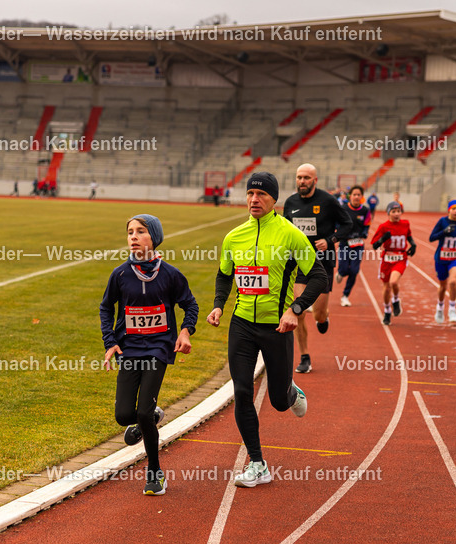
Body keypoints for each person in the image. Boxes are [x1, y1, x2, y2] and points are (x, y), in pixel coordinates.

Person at [207, 172, 324, 487]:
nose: (254, 200)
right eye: (250, 194)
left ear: (274, 200)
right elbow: (224, 274)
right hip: (242, 324)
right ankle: (257, 463)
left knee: (277, 402)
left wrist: (295, 309)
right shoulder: (234, 236)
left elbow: (319, 277)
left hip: (277, 327)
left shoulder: (290, 235)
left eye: (261, 194)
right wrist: (219, 303)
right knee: (242, 392)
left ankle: (289, 390)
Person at [101, 214, 197, 495]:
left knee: (141, 412)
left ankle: (155, 472)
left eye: (140, 231)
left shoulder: (169, 275)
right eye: (129, 232)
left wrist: (185, 332)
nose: (133, 237)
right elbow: (106, 308)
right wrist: (110, 341)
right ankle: (151, 416)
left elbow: (190, 305)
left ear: (153, 237)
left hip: (158, 348)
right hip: (129, 349)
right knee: (124, 416)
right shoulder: (119, 275)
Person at [282, 163, 351, 373]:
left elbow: (347, 224)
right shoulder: (291, 202)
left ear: (315, 180)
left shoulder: (328, 201)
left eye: (306, 178)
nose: (302, 181)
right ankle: (304, 357)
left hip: (323, 262)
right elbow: (285, 229)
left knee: (318, 315)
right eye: (299, 177)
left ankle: (324, 316)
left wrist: (330, 240)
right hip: (301, 261)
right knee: (299, 310)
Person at [370, 201, 416, 325]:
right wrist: (383, 238)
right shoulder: (384, 227)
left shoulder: (405, 224)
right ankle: (387, 310)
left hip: (400, 258)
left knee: (393, 282)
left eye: (398, 211)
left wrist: (413, 244)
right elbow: (374, 245)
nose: (396, 214)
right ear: (388, 213)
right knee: (386, 288)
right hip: (386, 259)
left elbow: (409, 235)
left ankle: (395, 300)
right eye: (393, 211)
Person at [429, 199, 456, 325]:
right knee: (443, 286)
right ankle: (440, 308)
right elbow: (431, 238)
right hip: (441, 258)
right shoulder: (442, 221)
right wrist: (444, 232)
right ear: (449, 209)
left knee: (453, 281)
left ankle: (452, 309)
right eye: (454, 208)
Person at [337, 185, 371, 307]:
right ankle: (340, 272)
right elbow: (337, 223)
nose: (356, 197)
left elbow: (367, 224)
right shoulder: (343, 208)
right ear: (350, 196)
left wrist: (365, 232)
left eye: (359, 195)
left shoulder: (365, 210)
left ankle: (345, 295)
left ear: (362, 197)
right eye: (354, 194)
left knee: (354, 271)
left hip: (358, 244)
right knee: (345, 269)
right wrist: (339, 232)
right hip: (345, 243)